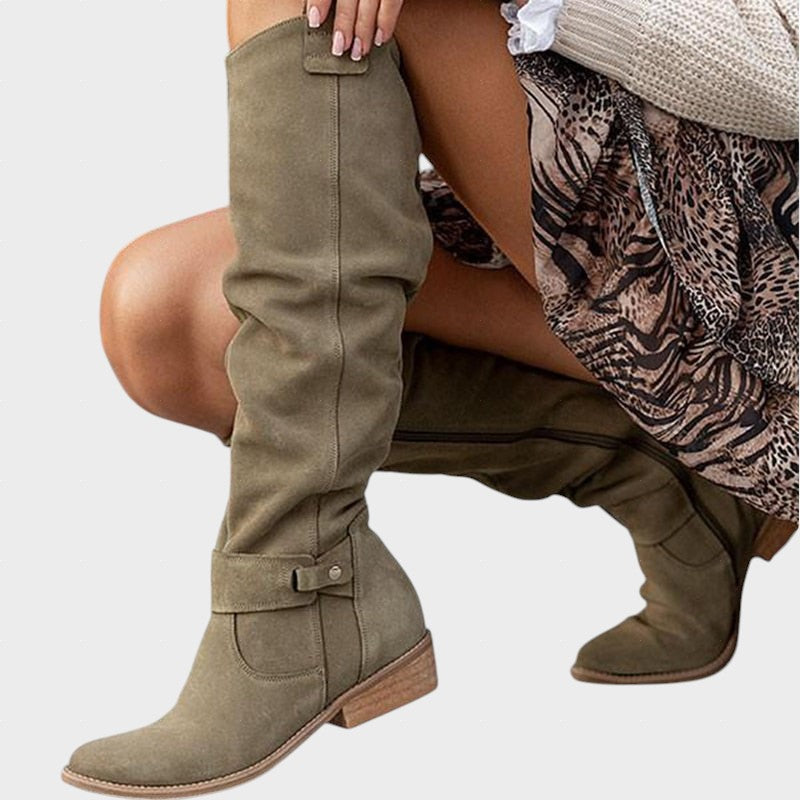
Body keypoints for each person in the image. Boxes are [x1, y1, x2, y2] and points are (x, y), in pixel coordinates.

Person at [62, 1, 797, 795]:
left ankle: (297, 591)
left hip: (764, 277)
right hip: (655, 229)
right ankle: (674, 485)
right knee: (165, 315)